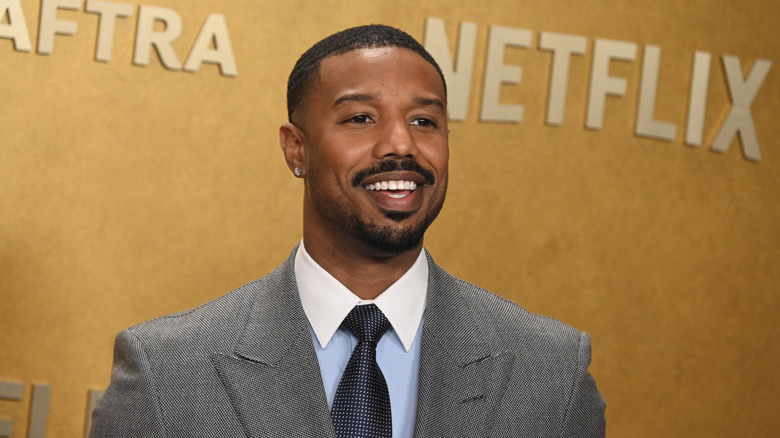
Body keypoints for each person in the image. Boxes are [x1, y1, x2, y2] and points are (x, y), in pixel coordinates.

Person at [89, 24, 606, 437]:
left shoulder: (551, 371)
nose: (399, 144)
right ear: (296, 149)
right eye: (361, 118)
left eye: (425, 122)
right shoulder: (168, 372)